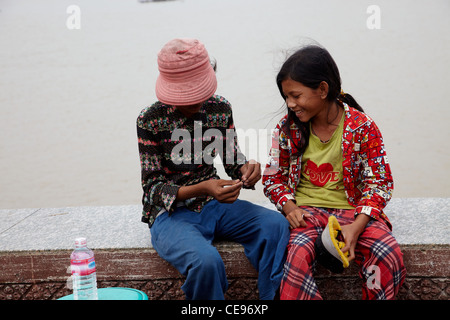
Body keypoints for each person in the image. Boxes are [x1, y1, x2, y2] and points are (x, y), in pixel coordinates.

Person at [136, 38, 290, 300]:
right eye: (187, 96)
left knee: (275, 226)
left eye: (199, 94)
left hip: (214, 206)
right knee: (206, 262)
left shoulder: (219, 108)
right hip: (171, 216)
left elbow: (231, 159)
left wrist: (247, 169)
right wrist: (203, 187)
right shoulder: (149, 119)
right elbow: (152, 188)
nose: (196, 101)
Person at [262, 44, 406, 300]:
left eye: (296, 95)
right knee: (296, 254)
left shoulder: (362, 127)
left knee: (386, 252)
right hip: (307, 214)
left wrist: (357, 226)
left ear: (323, 89)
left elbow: (379, 182)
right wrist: (290, 208)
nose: (290, 103)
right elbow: (273, 178)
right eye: (286, 97)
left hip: (354, 213)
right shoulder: (286, 129)